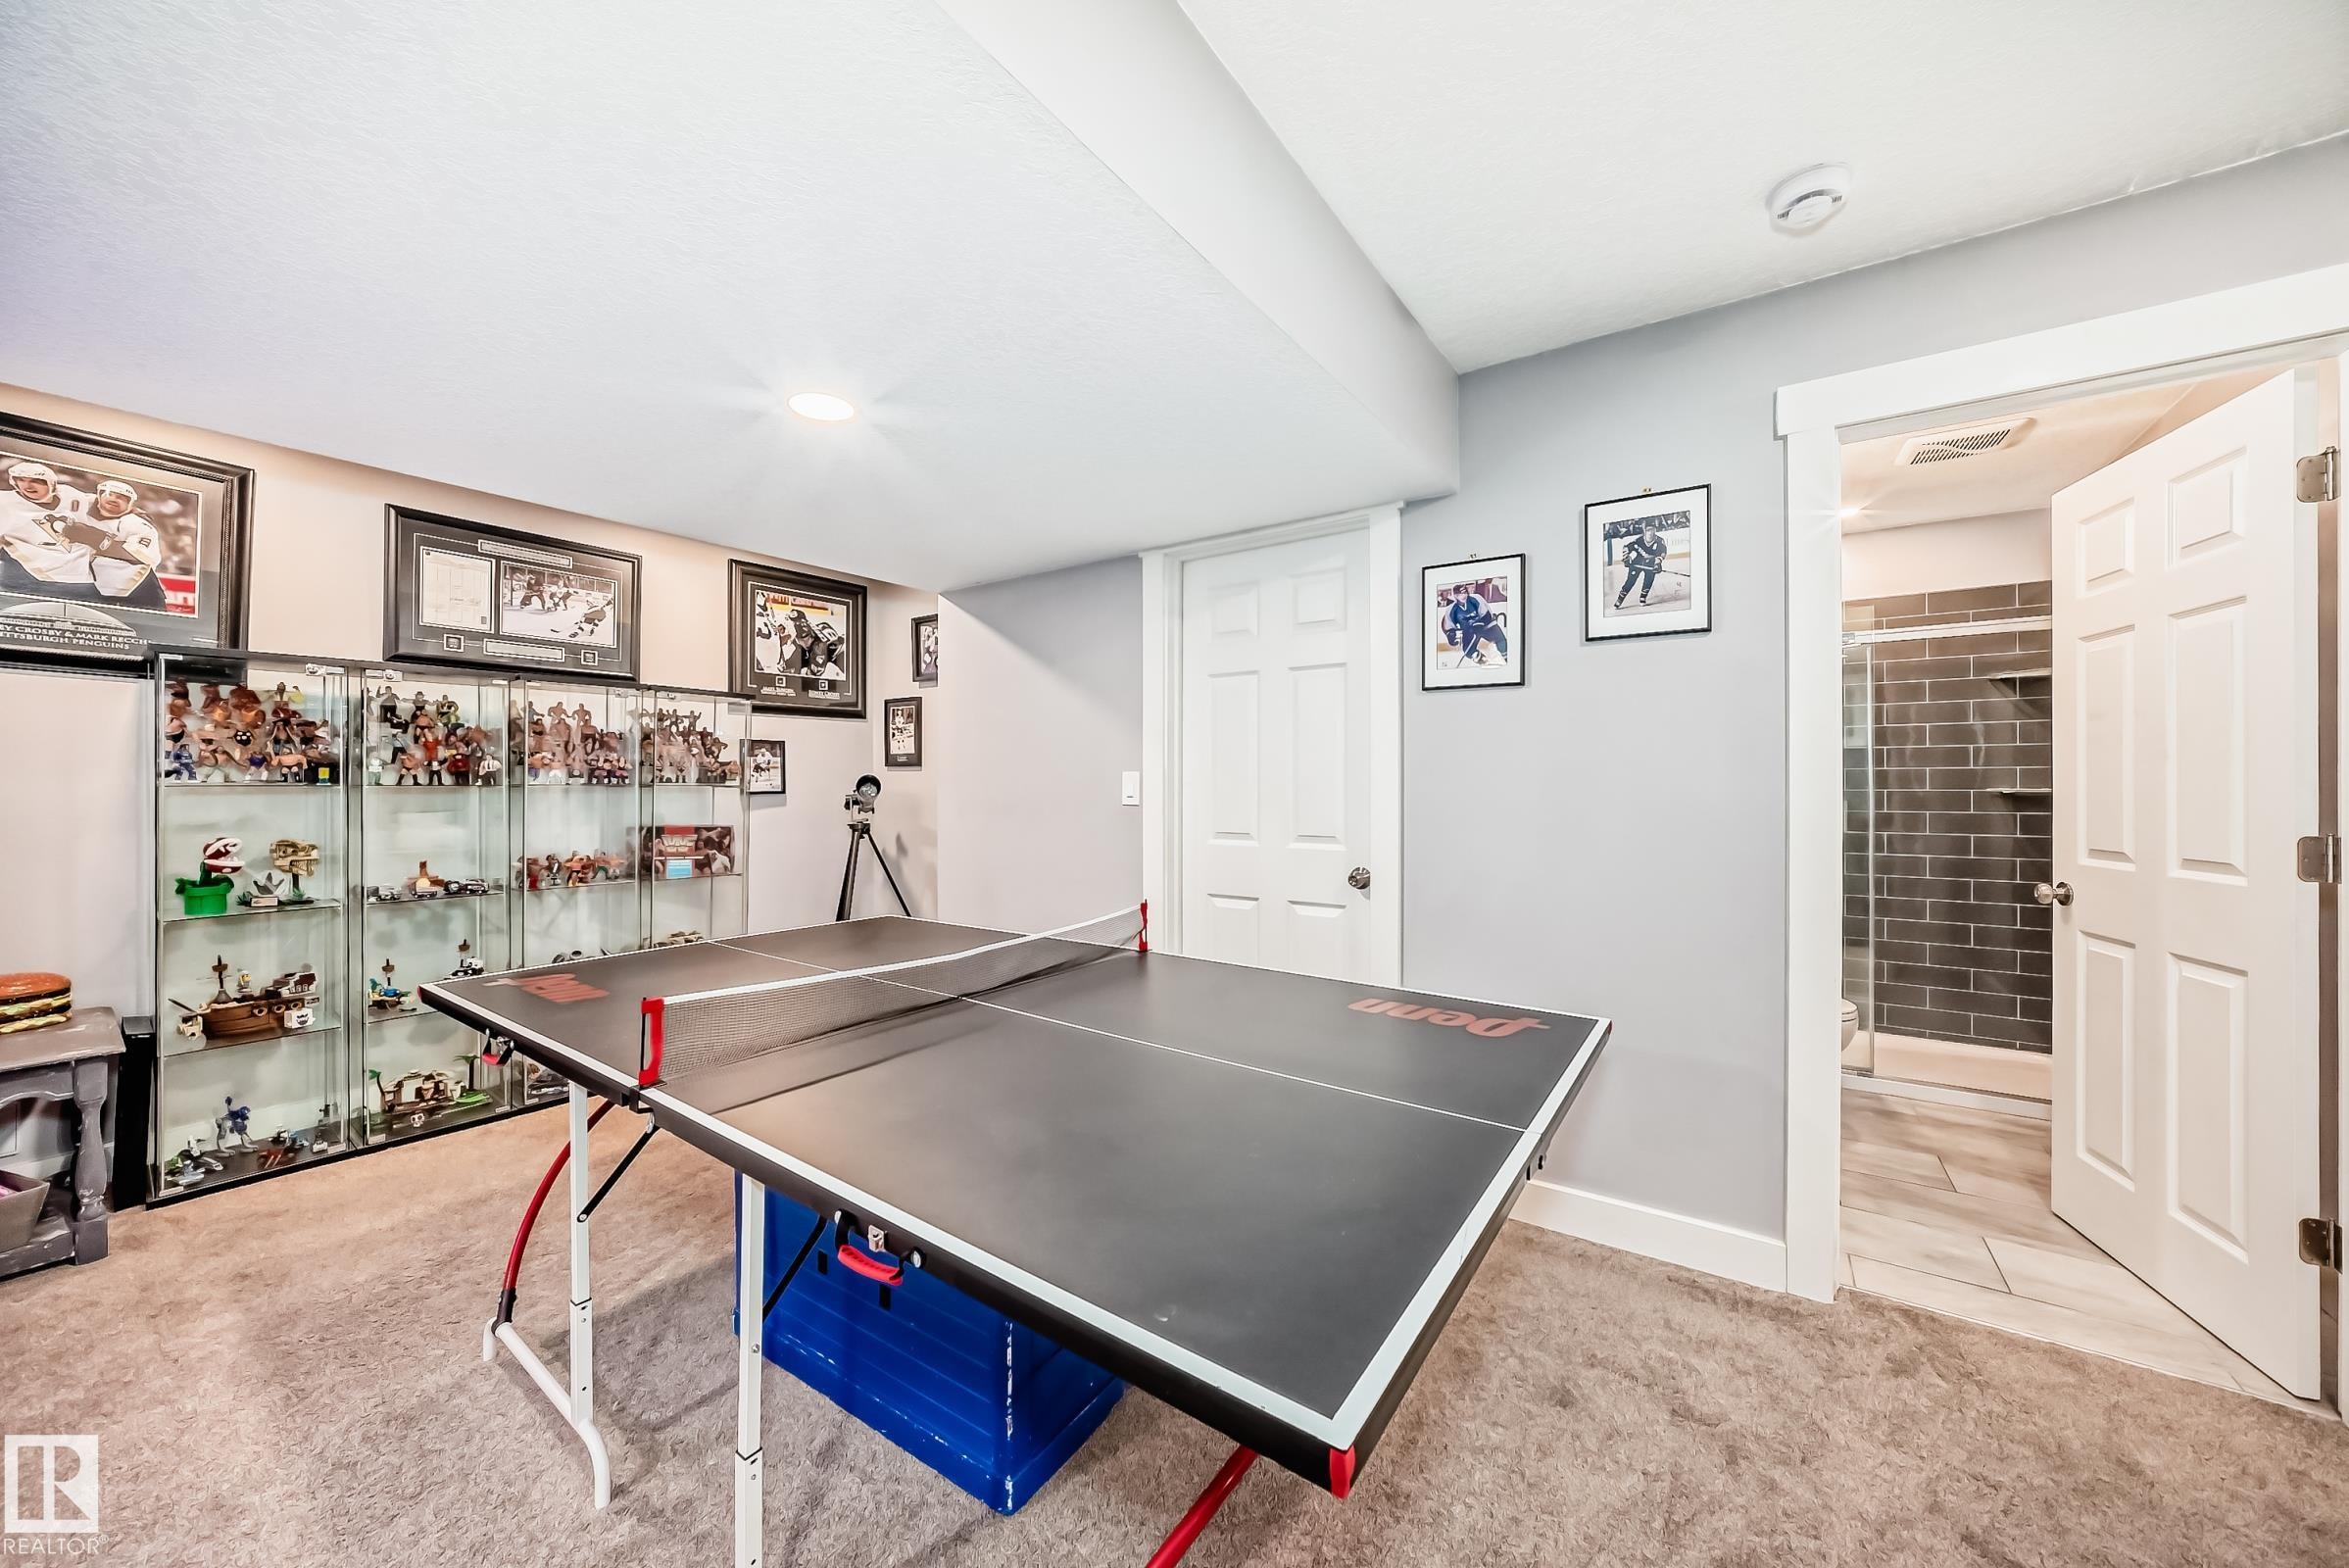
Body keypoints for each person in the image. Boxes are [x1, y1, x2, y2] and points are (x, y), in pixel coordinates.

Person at [1443, 583, 1508, 666]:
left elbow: (1487, 616)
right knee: (1468, 652)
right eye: (1460, 595)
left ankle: (1509, 659)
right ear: (1455, 596)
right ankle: (1484, 661)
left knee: (1501, 641)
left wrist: (1479, 624)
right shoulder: (1451, 609)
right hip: (1469, 631)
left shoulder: (1476, 598)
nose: (1463, 596)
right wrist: (1451, 636)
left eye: (1464, 593)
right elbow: (1450, 628)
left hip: (1487, 626)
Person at [1615, 523, 1669, 610]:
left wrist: (1658, 563)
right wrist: (1626, 558)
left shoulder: (1660, 540)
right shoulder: (1639, 540)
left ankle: (1643, 597)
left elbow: (1662, 552)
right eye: (1648, 530)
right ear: (1645, 531)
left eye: (1652, 530)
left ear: (1655, 530)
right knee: (1630, 581)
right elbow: (1626, 547)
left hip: (1651, 563)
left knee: (1648, 581)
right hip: (1637, 562)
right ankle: (1620, 599)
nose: (1650, 532)